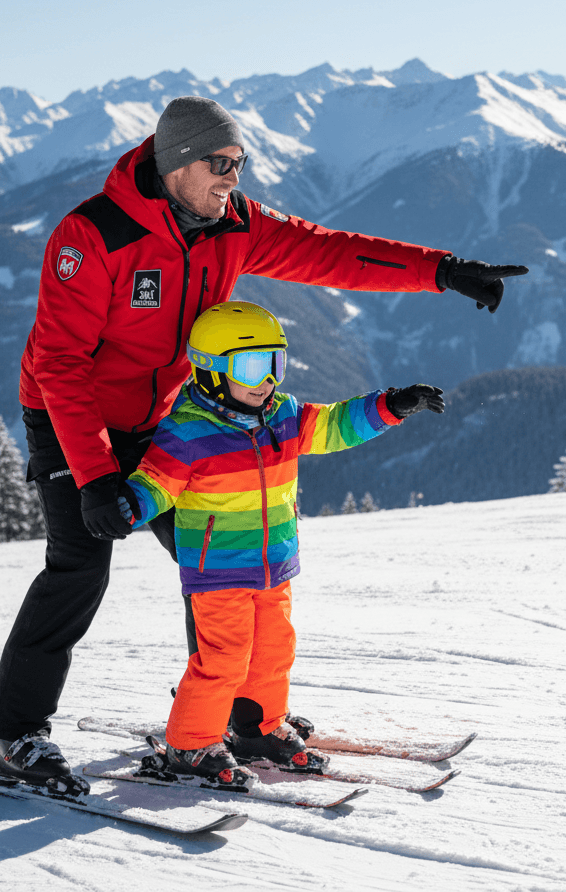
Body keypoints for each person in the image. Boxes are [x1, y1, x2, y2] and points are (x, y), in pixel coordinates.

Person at [0, 94, 527, 788]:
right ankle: (13, 734)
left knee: (221, 561)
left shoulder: (233, 222)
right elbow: (59, 364)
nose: (234, 178)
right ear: (178, 162)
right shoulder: (94, 237)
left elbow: (331, 253)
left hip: (165, 419)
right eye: (221, 163)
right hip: (70, 414)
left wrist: (442, 271)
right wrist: (95, 477)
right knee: (80, 567)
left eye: (240, 163)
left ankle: (233, 718)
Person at [119, 301, 446, 782]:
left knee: (274, 652)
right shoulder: (188, 430)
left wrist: (390, 406)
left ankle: (259, 729)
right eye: (252, 366)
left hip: (276, 565)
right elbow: (156, 483)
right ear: (210, 370)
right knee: (222, 660)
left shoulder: (284, 415)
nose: (266, 380)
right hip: (218, 571)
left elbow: (334, 425)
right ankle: (190, 745)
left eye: (275, 364)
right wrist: (124, 506)